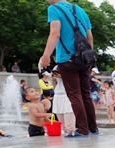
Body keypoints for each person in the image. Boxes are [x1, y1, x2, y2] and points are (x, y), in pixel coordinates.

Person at [40, 0, 97, 136]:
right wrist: (88, 57)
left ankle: (82, 130)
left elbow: (55, 33)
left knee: (74, 95)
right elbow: (90, 36)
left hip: (66, 58)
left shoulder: (53, 9)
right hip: (84, 59)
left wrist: (46, 55)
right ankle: (93, 128)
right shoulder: (80, 10)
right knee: (86, 95)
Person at [51, 66, 77, 136]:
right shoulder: (56, 67)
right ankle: (66, 134)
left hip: (67, 94)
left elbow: (74, 79)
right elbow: (54, 82)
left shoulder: (71, 65)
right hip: (57, 94)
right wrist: (54, 77)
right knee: (61, 121)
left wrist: (63, 76)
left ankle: (71, 132)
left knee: (69, 120)